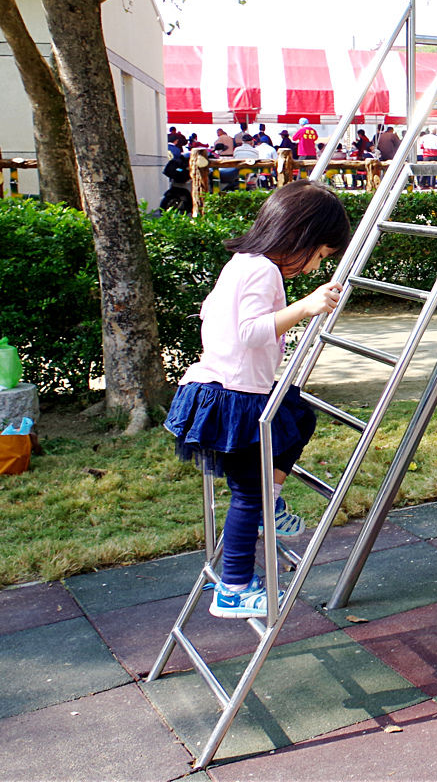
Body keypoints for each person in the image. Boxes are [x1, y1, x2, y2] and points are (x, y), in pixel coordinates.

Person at [164, 182, 350, 619]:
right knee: (247, 494)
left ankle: (273, 499)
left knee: (297, 414)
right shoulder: (262, 270)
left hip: (228, 390)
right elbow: (249, 331)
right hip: (232, 396)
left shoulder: (241, 264)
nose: (314, 266)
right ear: (299, 236)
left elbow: (214, 314)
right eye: (320, 255)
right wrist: (306, 307)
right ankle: (233, 589)